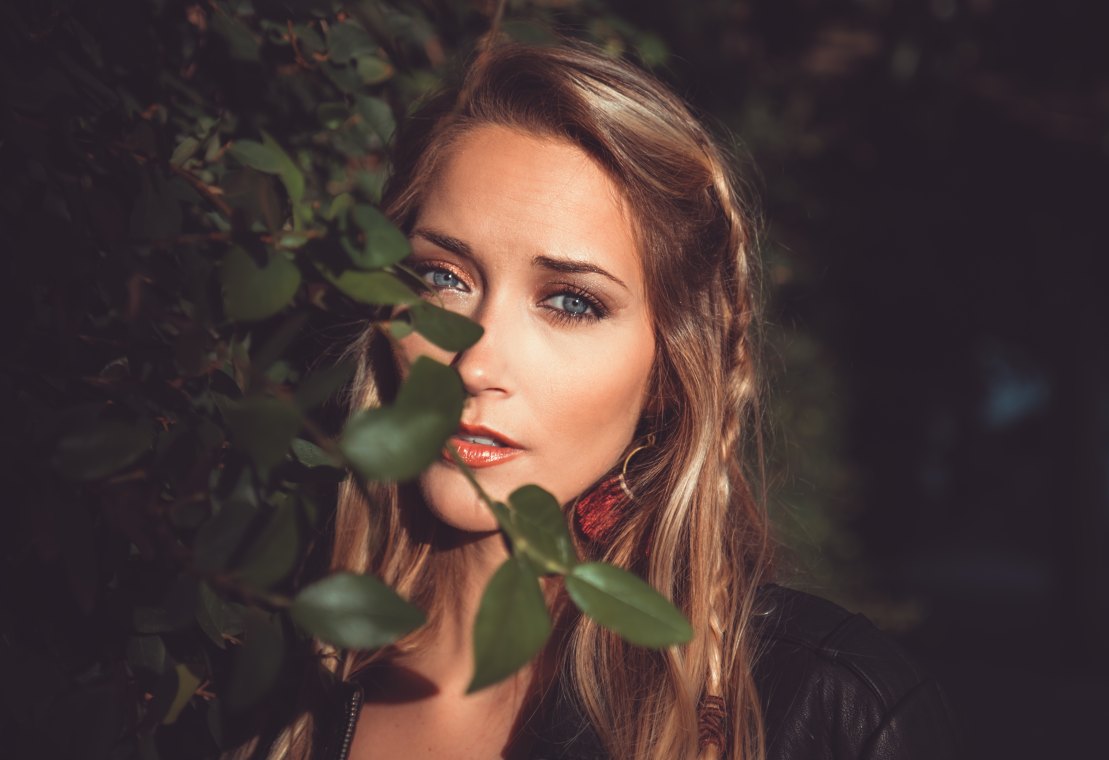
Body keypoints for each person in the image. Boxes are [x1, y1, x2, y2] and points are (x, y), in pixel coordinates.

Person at [257, 40, 960, 760]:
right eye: (442, 278)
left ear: (667, 375)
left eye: (569, 301)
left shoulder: (831, 710)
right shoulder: (261, 654)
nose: (473, 364)